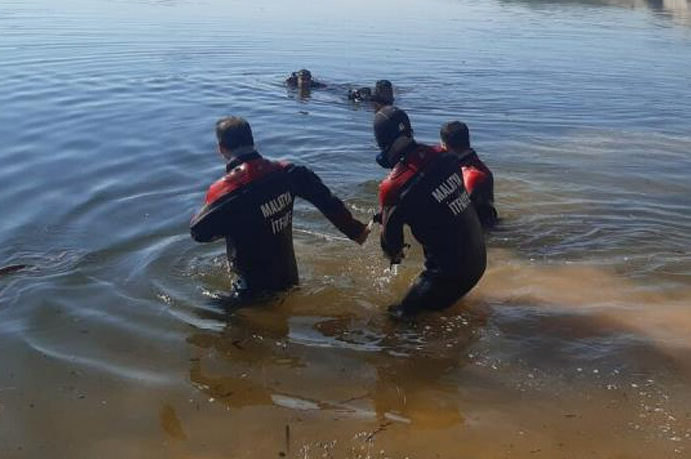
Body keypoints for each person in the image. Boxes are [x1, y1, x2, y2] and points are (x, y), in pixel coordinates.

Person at [190, 116, 369, 303]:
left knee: (202, 310)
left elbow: (198, 232)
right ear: (252, 141)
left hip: (251, 294)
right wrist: (355, 230)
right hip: (289, 281)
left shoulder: (228, 192)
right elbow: (324, 198)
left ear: (221, 149)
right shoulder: (286, 172)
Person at [372, 106, 486, 317]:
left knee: (394, 318)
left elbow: (392, 250)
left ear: (381, 143)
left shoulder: (393, 187)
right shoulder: (445, 156)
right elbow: (438, 205)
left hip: (449, 277)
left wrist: (387, 216)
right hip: (479, 261)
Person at [439, 120, 499, 228]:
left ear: (445, 145)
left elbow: (459, 213)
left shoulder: (471, 176)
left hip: (479, 232)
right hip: (485, 225)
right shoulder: (475, 167)